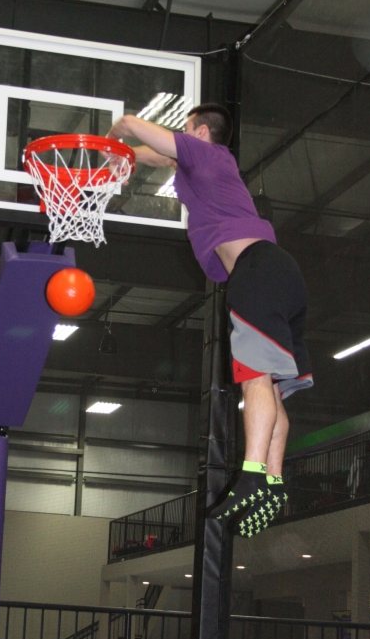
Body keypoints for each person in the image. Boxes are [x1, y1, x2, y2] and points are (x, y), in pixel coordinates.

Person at [108, 105, 313, 537]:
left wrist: (116, 137)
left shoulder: (211, 155)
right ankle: (274, 480)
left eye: (186, 131)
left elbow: (135, 127)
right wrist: (126, 156)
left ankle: (253, 473)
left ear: (201, 133)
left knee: (254, 377)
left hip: (256, 269)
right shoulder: (204, 167)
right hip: (281, 273)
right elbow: (158, 155)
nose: (181, 141)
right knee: (272, 388)